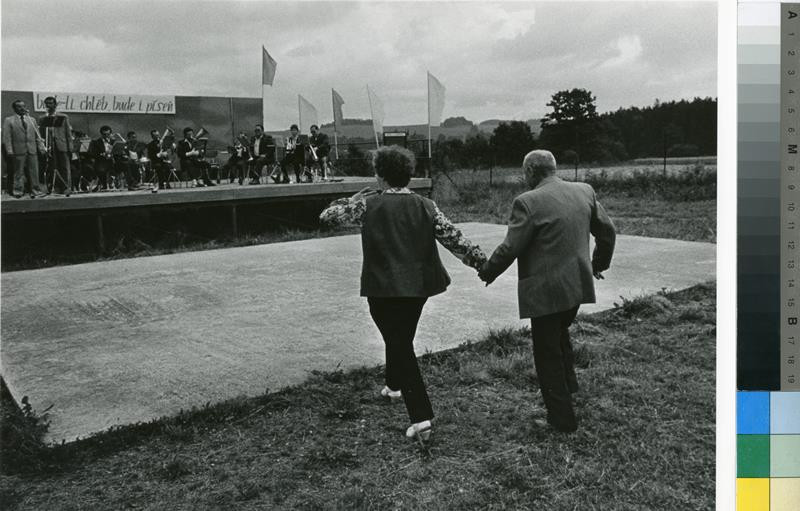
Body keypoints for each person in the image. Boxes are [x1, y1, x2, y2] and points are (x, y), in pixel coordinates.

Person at [320, 145, 487, 444]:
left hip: (382, 287)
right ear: (408, 175)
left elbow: (327, 217)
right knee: (401, 338)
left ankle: (421, 418)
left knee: (399, 343)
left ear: (381, 175)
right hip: (418, 287)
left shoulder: (367, 204)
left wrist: (353, 198)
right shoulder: (427, 205)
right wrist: (482, 264)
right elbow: (455, 239)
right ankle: (393, 385)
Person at [478, 150, 616, 433]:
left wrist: (487, 270)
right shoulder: (584, 191)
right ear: (553, 168)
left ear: (530, 172)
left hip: (546, 292)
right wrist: (598, 263)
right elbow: (607, 231)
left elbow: (510, 248)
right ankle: (569, 387)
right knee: (560, 334)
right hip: (577, 285)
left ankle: (561, 420)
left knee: (547, 352)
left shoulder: (527, 202)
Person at [2, 100, 46, 198]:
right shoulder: (9, 120)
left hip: (32, 150)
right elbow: (7, 137)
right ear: (14, 108)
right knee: (18, 172)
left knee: (34, 172)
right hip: (18, 150)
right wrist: (9, 150)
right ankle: (18, 191)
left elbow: (37, 136)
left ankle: (36, 190)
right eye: (19, 107)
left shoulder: (32, 120)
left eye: (24, 106)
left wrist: (41, 147)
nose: (22, 108)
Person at [38, 96, 73, 195]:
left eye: (51, 103)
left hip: (62, 145)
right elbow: (40, 135)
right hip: (49, 146)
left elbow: (68, 133)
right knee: (52, 167)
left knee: (64, 167)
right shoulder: (42, 118)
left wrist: (70, 148)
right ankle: (55, 187)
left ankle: (66, 187)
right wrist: (42, 147)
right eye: (47, 103)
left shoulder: (63, 117)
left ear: (55, 105)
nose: (49, 105)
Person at [88, 125, 116, 191]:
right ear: (101, 134)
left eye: (108, 134)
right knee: (101, 169)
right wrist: (102, 154)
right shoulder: (96, 142)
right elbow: (93, 154)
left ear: (110, 134)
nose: (106, 136)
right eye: (104, 134)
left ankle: (132, 183)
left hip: (113, 159)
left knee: (126, 164)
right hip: (102, 160)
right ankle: (104, 185)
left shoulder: (113, 141)